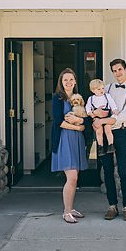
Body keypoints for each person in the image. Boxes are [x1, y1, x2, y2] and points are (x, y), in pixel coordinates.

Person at [101, 58, 126, 221]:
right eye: (114, 71)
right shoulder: (107, 88)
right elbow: (101, 106)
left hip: (121, 132)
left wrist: (106, 120)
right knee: (108, 170)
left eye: (120, 70)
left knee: (123, 170)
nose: (117, 73)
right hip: (104, 133)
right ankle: (112, 206)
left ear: (125, 70)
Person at [50, 68, 88, 224]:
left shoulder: (78, 98)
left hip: (77, 141)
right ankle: (66, 212)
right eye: (65, 80)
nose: (68, 82)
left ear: (75, 81)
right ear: (61, 82)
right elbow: (59, 121)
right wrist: (78, 127)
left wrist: (81, 123)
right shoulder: (57, 98)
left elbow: (87, 120)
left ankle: (71, 208)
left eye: (71, 79)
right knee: (71, 177)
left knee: (75, 177)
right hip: (64, 140)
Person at [86, 78, 119, 156]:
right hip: (97, 117)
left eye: (103, 88)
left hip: (107, 116)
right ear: (93, 90)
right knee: (99, 131)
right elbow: (87, 107)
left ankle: (111, 145)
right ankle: (100, 146)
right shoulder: (91, 99)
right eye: (99, 89)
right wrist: (90, 113)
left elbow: (112, 103)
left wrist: (114, 109)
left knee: (108, 129)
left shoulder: (107, 96)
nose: (102, 90)